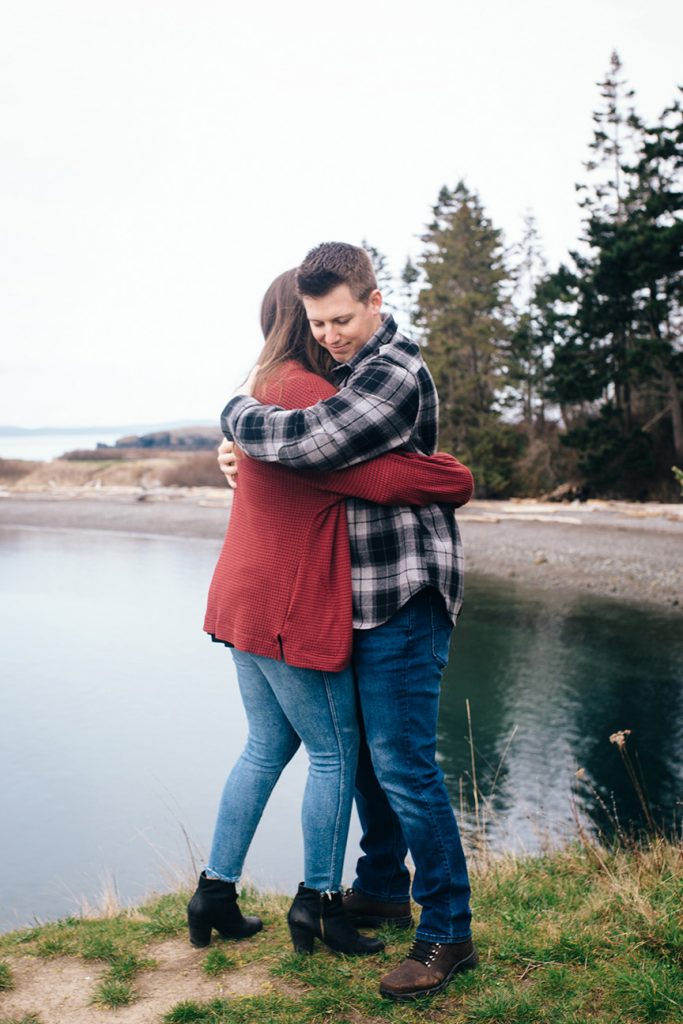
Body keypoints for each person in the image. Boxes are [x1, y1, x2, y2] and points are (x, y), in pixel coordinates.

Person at [188, 268, 474, 960]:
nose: (329, 333)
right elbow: (370, 473)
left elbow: (319, 458)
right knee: (339, 754)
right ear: (301, 320)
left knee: (294, 750)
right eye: (318, 322)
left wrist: (233, 421)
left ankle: (219, 892)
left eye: (338, 320)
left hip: (257, 600)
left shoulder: (276, 388)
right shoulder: (304, 393)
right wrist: (451, 476)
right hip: (288, 605)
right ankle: (318, 902)